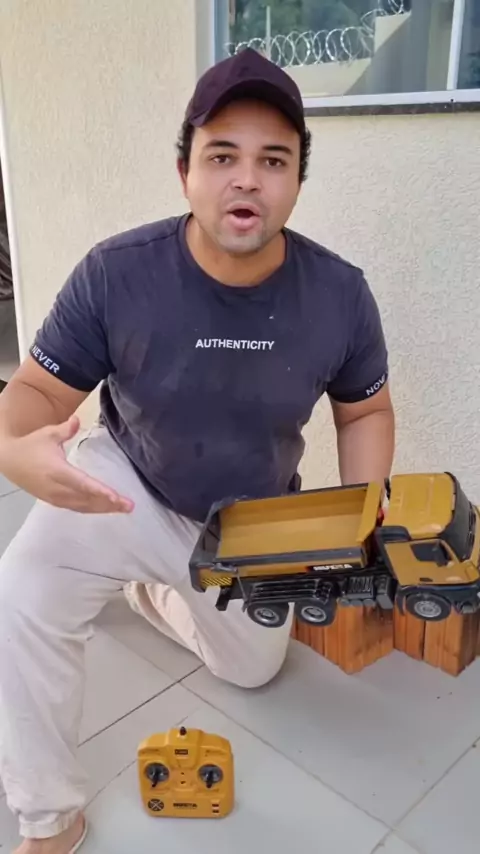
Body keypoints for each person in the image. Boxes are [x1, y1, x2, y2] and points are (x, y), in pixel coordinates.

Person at [0, 47, 394, 854]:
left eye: (273, 160)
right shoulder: (116, 274)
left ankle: (152, 594)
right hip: (127, 484)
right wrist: (11, 448)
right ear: (185, 172)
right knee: (20, 590)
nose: (246, 179)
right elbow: (36, 391)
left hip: (252, 517)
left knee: (253, 668)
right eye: (222, 156)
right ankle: (48, 818)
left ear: (297, 180)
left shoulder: (340, 294)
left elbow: (366, 412)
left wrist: (363, 511)